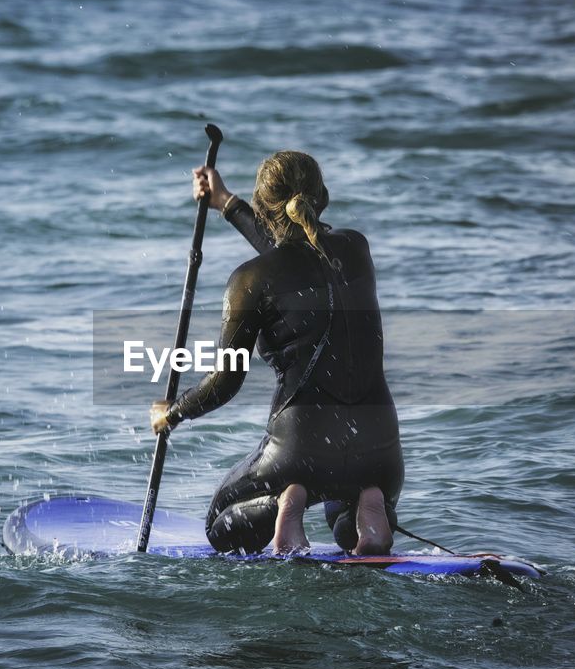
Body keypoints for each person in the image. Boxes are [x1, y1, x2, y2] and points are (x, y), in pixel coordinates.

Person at [149, 151, 403, 555]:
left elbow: (225, 381)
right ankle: (368, 508)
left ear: (266, 209)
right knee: (344, 512)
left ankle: (287, 501)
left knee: (219, 524)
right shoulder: (356, 249)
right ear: (322, 197)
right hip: (379, 448)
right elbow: (300, 252)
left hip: (300, 449)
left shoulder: (250, 279)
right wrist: (226, 202)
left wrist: (173, 412)